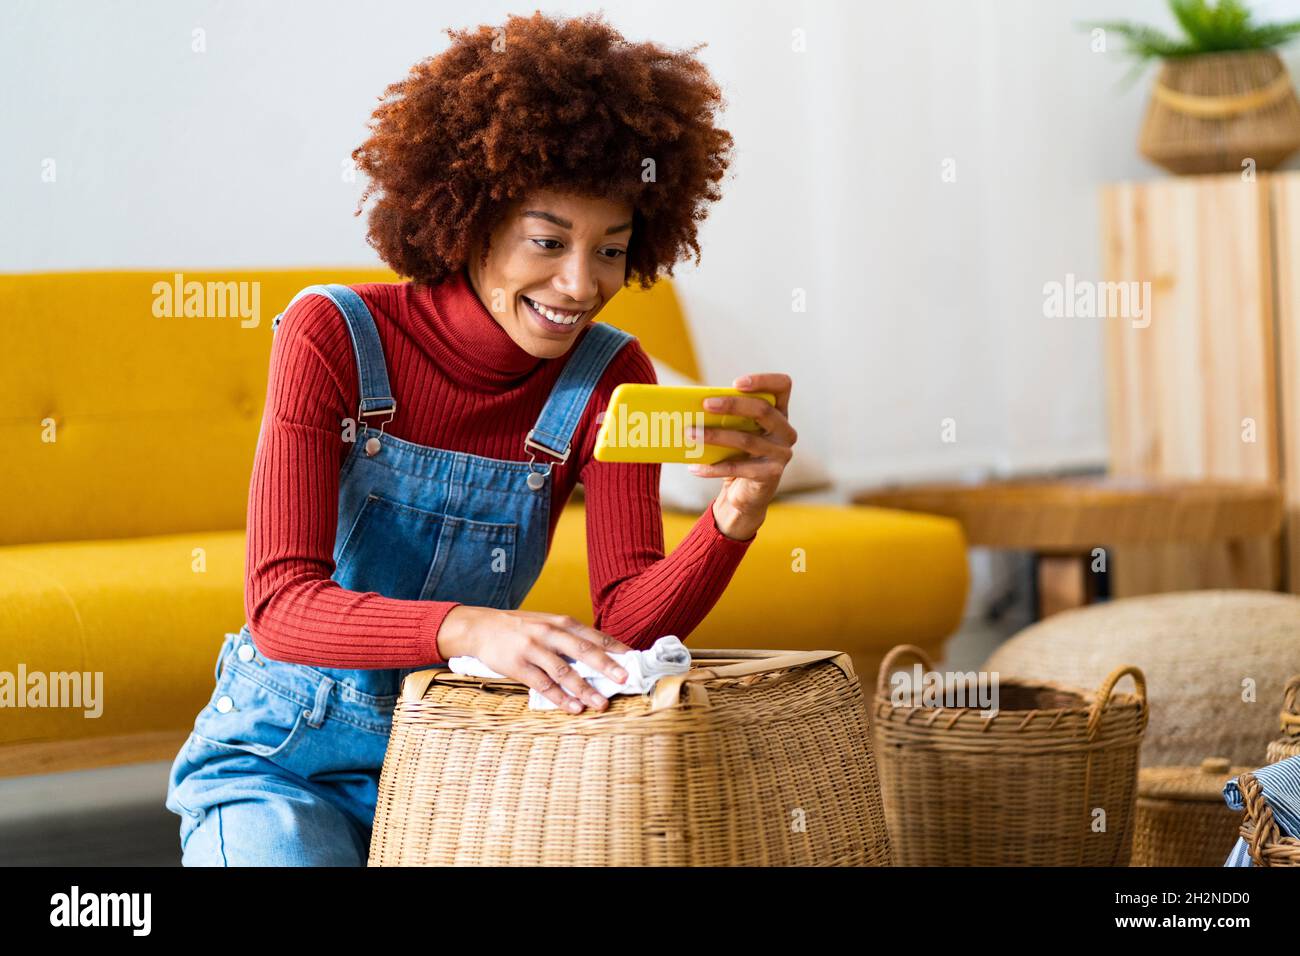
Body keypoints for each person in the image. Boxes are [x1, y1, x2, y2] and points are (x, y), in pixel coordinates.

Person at [164, 10, 797, 866]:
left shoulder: (610, 376)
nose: (580, 285)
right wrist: (475, 630)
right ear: (473, 219)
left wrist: (736, 512)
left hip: (458, 767)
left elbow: (630, 617)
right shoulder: (331, 335)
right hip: (281, 765)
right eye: (548, 240)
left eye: (611, 250)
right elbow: (280, 607)